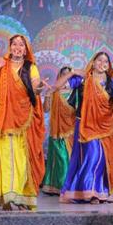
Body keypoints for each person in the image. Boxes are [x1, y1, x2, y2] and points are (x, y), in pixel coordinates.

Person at [0, 35, 46, 211]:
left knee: (22, 160)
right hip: (3, 119)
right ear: (10, 47)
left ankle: (20, 195)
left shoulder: (30, 67)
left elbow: (36, 85)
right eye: (14, 44)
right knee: (6, 159)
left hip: (24, 119)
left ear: (25, 49)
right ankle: (8, 196)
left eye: (21, 45)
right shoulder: (1, 65)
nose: (17, 47)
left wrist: (39, 88)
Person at [59, 52, 113, 203]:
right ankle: (90, 191)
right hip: (87, 126)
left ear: (108, 65)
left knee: (103, 159)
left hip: (105, 127)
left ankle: (98, 191)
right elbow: (60, 87)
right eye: (99, 60)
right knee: (93, 156)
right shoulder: (83, 79)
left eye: (105, 61)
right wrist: (71, 73)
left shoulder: (112, 82)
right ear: (92, 62)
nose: (102, 63)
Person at [40, 66, 75, 196]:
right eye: (63, 74)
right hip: (56, 131)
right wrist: (47, 95)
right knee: (60, 158)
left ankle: (69, 186)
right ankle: (57, 186)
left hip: (72, 131)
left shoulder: (75, 91)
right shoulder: (54, 92)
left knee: (69, 159)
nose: (65, 77)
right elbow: (46, 109)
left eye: (68, 74)